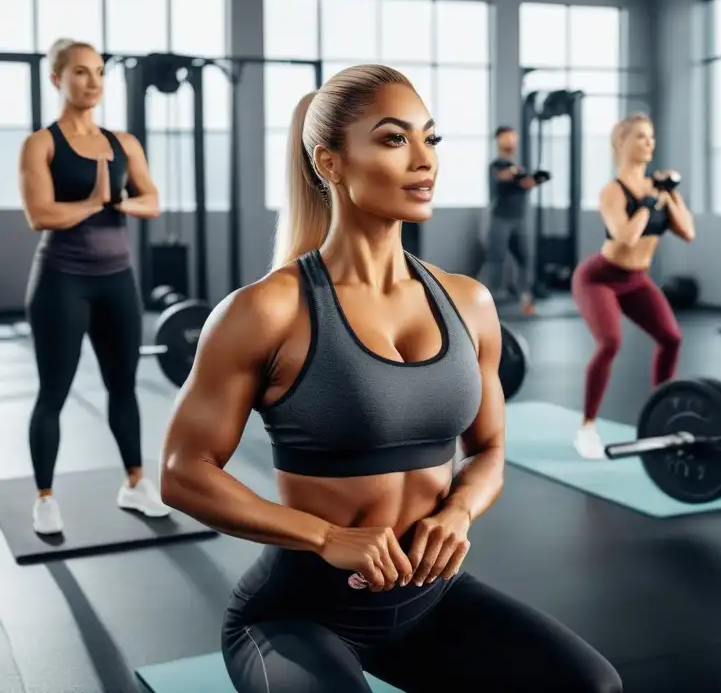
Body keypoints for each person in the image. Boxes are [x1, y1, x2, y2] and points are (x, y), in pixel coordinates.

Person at [158, 65, 622, 693]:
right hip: (297, 617)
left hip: (432, 603)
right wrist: (325, 536)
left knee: (591, 685)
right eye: (393, 139)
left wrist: (458, 511)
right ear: (330, 162)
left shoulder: (469, 302)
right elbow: (184, 472)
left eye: (431, 139)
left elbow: (489, 451)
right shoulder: (267, 310)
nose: (424, 160)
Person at [17, 38, 168, 536]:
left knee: (122, 387)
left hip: (117, 283)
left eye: (100, 72)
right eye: (81, 72)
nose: (93, 81)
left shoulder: (123, 142)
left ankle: (134, 482)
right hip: (62, 281)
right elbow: (40, 216)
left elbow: (151, 200)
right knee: (53, 393)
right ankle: (44, 498)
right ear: (57, 79)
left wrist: (119, 204)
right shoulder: (41, 144)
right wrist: (94, 201)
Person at [571, 112, 694, 460]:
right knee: (610, 343)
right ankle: (587, 428)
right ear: (620, 143)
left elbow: (688, 232)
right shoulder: (613, 191)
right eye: (640, 136)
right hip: (599, 277)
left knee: (671, 338)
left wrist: (670, 195)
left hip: (637, 280)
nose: (649, 143)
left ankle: (662, 413)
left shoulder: (658, 189)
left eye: (651, 137)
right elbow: (625, 237)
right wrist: (647, 205)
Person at [482, 126, 537, 316]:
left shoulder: (519, 167)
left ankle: (526, 302)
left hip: (519, 220)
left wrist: (529, 180)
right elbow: (504, 176)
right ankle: (483, 305)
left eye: (513, 137)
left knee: (526, 260)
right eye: (506, 138)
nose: (510, 141)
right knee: (495, 260)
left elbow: (526, 183)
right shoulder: (496, 165)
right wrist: (516, 175)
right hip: (501, 219)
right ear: (498, 141)